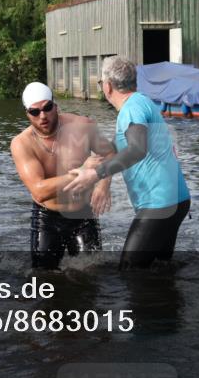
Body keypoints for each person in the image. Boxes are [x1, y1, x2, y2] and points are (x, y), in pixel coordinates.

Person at [66, 56, 191, 269]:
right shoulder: (140, 103)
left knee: (130, 272)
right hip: (176, 200)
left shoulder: (132, 109)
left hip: (159, 205)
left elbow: (136, 150)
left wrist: (96, 175)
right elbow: (114, 150)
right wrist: (102, 184)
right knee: (161, 270)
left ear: (107, 86)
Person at [10, 82, 114, 269]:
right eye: (35, 112)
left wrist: (103, 185)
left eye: (47, 108)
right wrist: (81, 173)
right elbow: (39, 190)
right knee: (44, 276)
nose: (43, 116)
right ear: (27, 114)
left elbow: (110, 154)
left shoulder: (82, 126)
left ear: (55, 105)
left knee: (91, 275)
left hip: (83, 213)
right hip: (47, 217)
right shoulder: (22, 144)